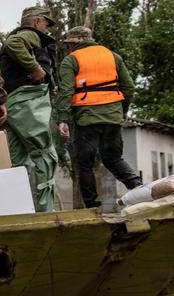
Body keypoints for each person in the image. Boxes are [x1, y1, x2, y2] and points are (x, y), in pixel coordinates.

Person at [52, 25, 142, 209]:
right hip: (113, 117)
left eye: (69, 44)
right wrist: (122, 110)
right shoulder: (112, 56)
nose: (68, 47)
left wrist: (62, 118)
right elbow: (129, 87)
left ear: (75, 43)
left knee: (85, 162)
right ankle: (140, 189)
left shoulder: (71, 60)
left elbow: (66, 91)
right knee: (113, 158)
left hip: (87, 118)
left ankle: (92, 205)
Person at [0, 5, 60, 211]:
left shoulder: (29, 38)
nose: (47, 30)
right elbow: (13, 43)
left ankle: (16, 211)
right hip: (27, 101)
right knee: (45, 155)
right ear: (36, 22)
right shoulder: (29, 35)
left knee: (16, 160)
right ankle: (46, 213)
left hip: (15, 103)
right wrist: (35, 68)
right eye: (46, 24)